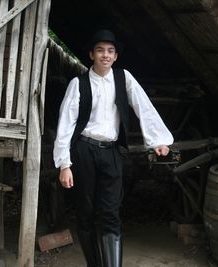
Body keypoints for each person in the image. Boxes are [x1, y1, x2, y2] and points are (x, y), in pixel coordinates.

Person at [53, 29, 173, 267]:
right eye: (100, 50)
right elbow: (65, 125)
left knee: (110, 213)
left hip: (111, 153)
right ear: (91, 54)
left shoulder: (123, 78)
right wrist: (64, 164)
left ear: (115, 56)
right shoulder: (78, 83)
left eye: (110, 51)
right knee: (86, 214)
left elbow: (143, 106)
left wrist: (158, 139)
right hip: (83, 153)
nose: (105, 55)